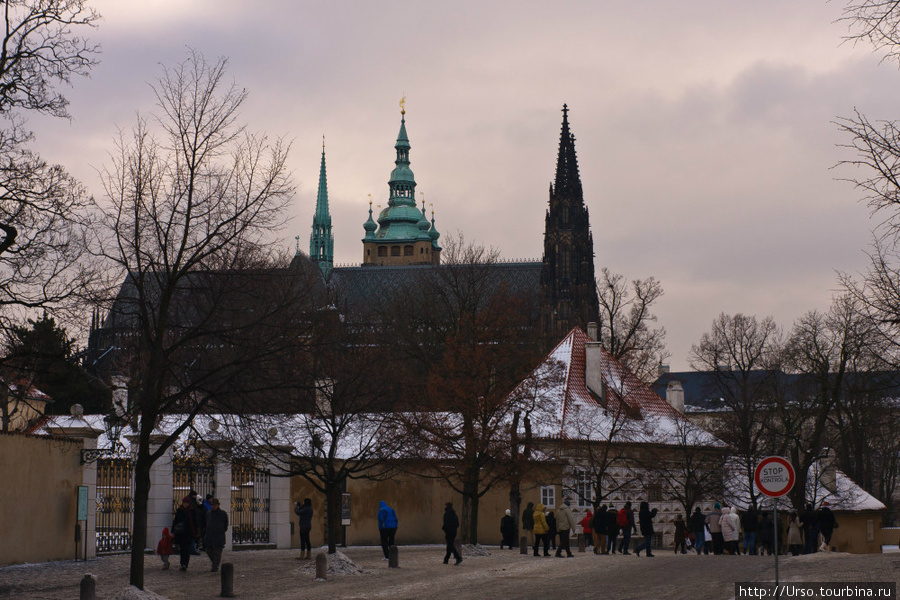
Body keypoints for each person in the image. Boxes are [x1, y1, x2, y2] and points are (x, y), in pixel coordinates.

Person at [172, 496, 199, 571]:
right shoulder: (180, 510)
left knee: (186, 549)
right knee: (182, 549)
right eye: (184, 503)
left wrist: (196, 531)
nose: (185, 504)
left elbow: (195, 522)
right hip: (181, 533)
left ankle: (185, 564)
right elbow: (175, 521)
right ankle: (182, 563)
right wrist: (173, 531)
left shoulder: (192, 511)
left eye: (186, 503)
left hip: (189, 533)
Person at [204, 498, 228, 573]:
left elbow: (225, 525)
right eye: (212, 505)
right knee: (208, 550)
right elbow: (205, 523)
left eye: (214, 505)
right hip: (209, 535)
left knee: (217, 552)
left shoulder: (223, 514)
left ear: (218, 505)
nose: (213, 506)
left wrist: (220, 530)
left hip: (219, 535)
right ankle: (215, 563)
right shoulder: (208, 513)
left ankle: (215, 566)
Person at [188, 489, 206, 555]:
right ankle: (193, 549)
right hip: (195, 522)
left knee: (195, 536)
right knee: (194, 536)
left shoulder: (193, 502)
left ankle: (194, 548)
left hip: (195, 522)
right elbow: (197, 512)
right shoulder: (192, 502)